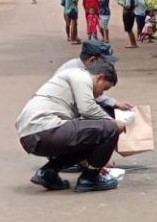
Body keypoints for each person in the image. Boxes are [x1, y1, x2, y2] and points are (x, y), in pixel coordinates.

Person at [15, 61, 126, 192]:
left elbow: (83, 136)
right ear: (99, 77)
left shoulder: (72, 83)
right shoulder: (81, 75)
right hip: (45, 130)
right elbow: (88, 109)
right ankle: (90, 179)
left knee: (92, 134)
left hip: (32, 136)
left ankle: (48, 172)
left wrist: (97, 159)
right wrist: (113, 123)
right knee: (110, 128)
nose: (102, 94)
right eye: (105, 88)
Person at [54, 39, 134, 117]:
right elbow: (87, 107)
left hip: (72, 110)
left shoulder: (85, 70)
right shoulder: (76, 73)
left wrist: (114, 103)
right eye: (104, 62)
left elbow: (93, 95)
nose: (107, 65)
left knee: (108, 110)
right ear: (92, 60)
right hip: (61, 117)